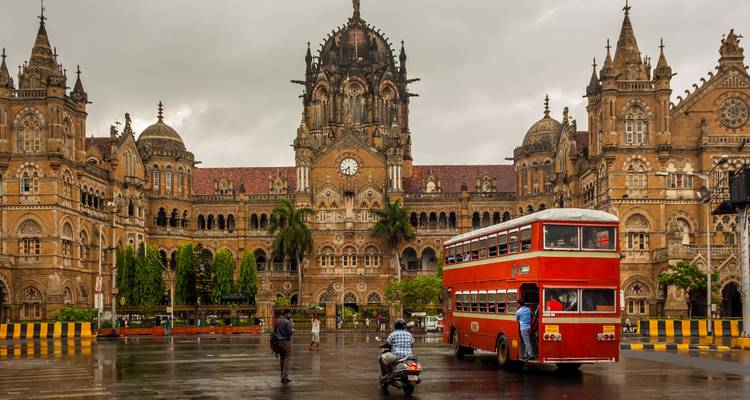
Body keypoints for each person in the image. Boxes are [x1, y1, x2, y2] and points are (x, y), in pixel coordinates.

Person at [274, 309, 295, 383]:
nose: (290, 315)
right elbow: (290, 332)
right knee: (287, 358)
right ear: (285, 314)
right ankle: (285, 376)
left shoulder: (278, 321)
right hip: (286, 342)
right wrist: (293, 328)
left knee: (282, 358)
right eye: (289, 314)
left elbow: (275, 331)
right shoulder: (288, 322)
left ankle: (282, 374)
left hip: (279, 341)